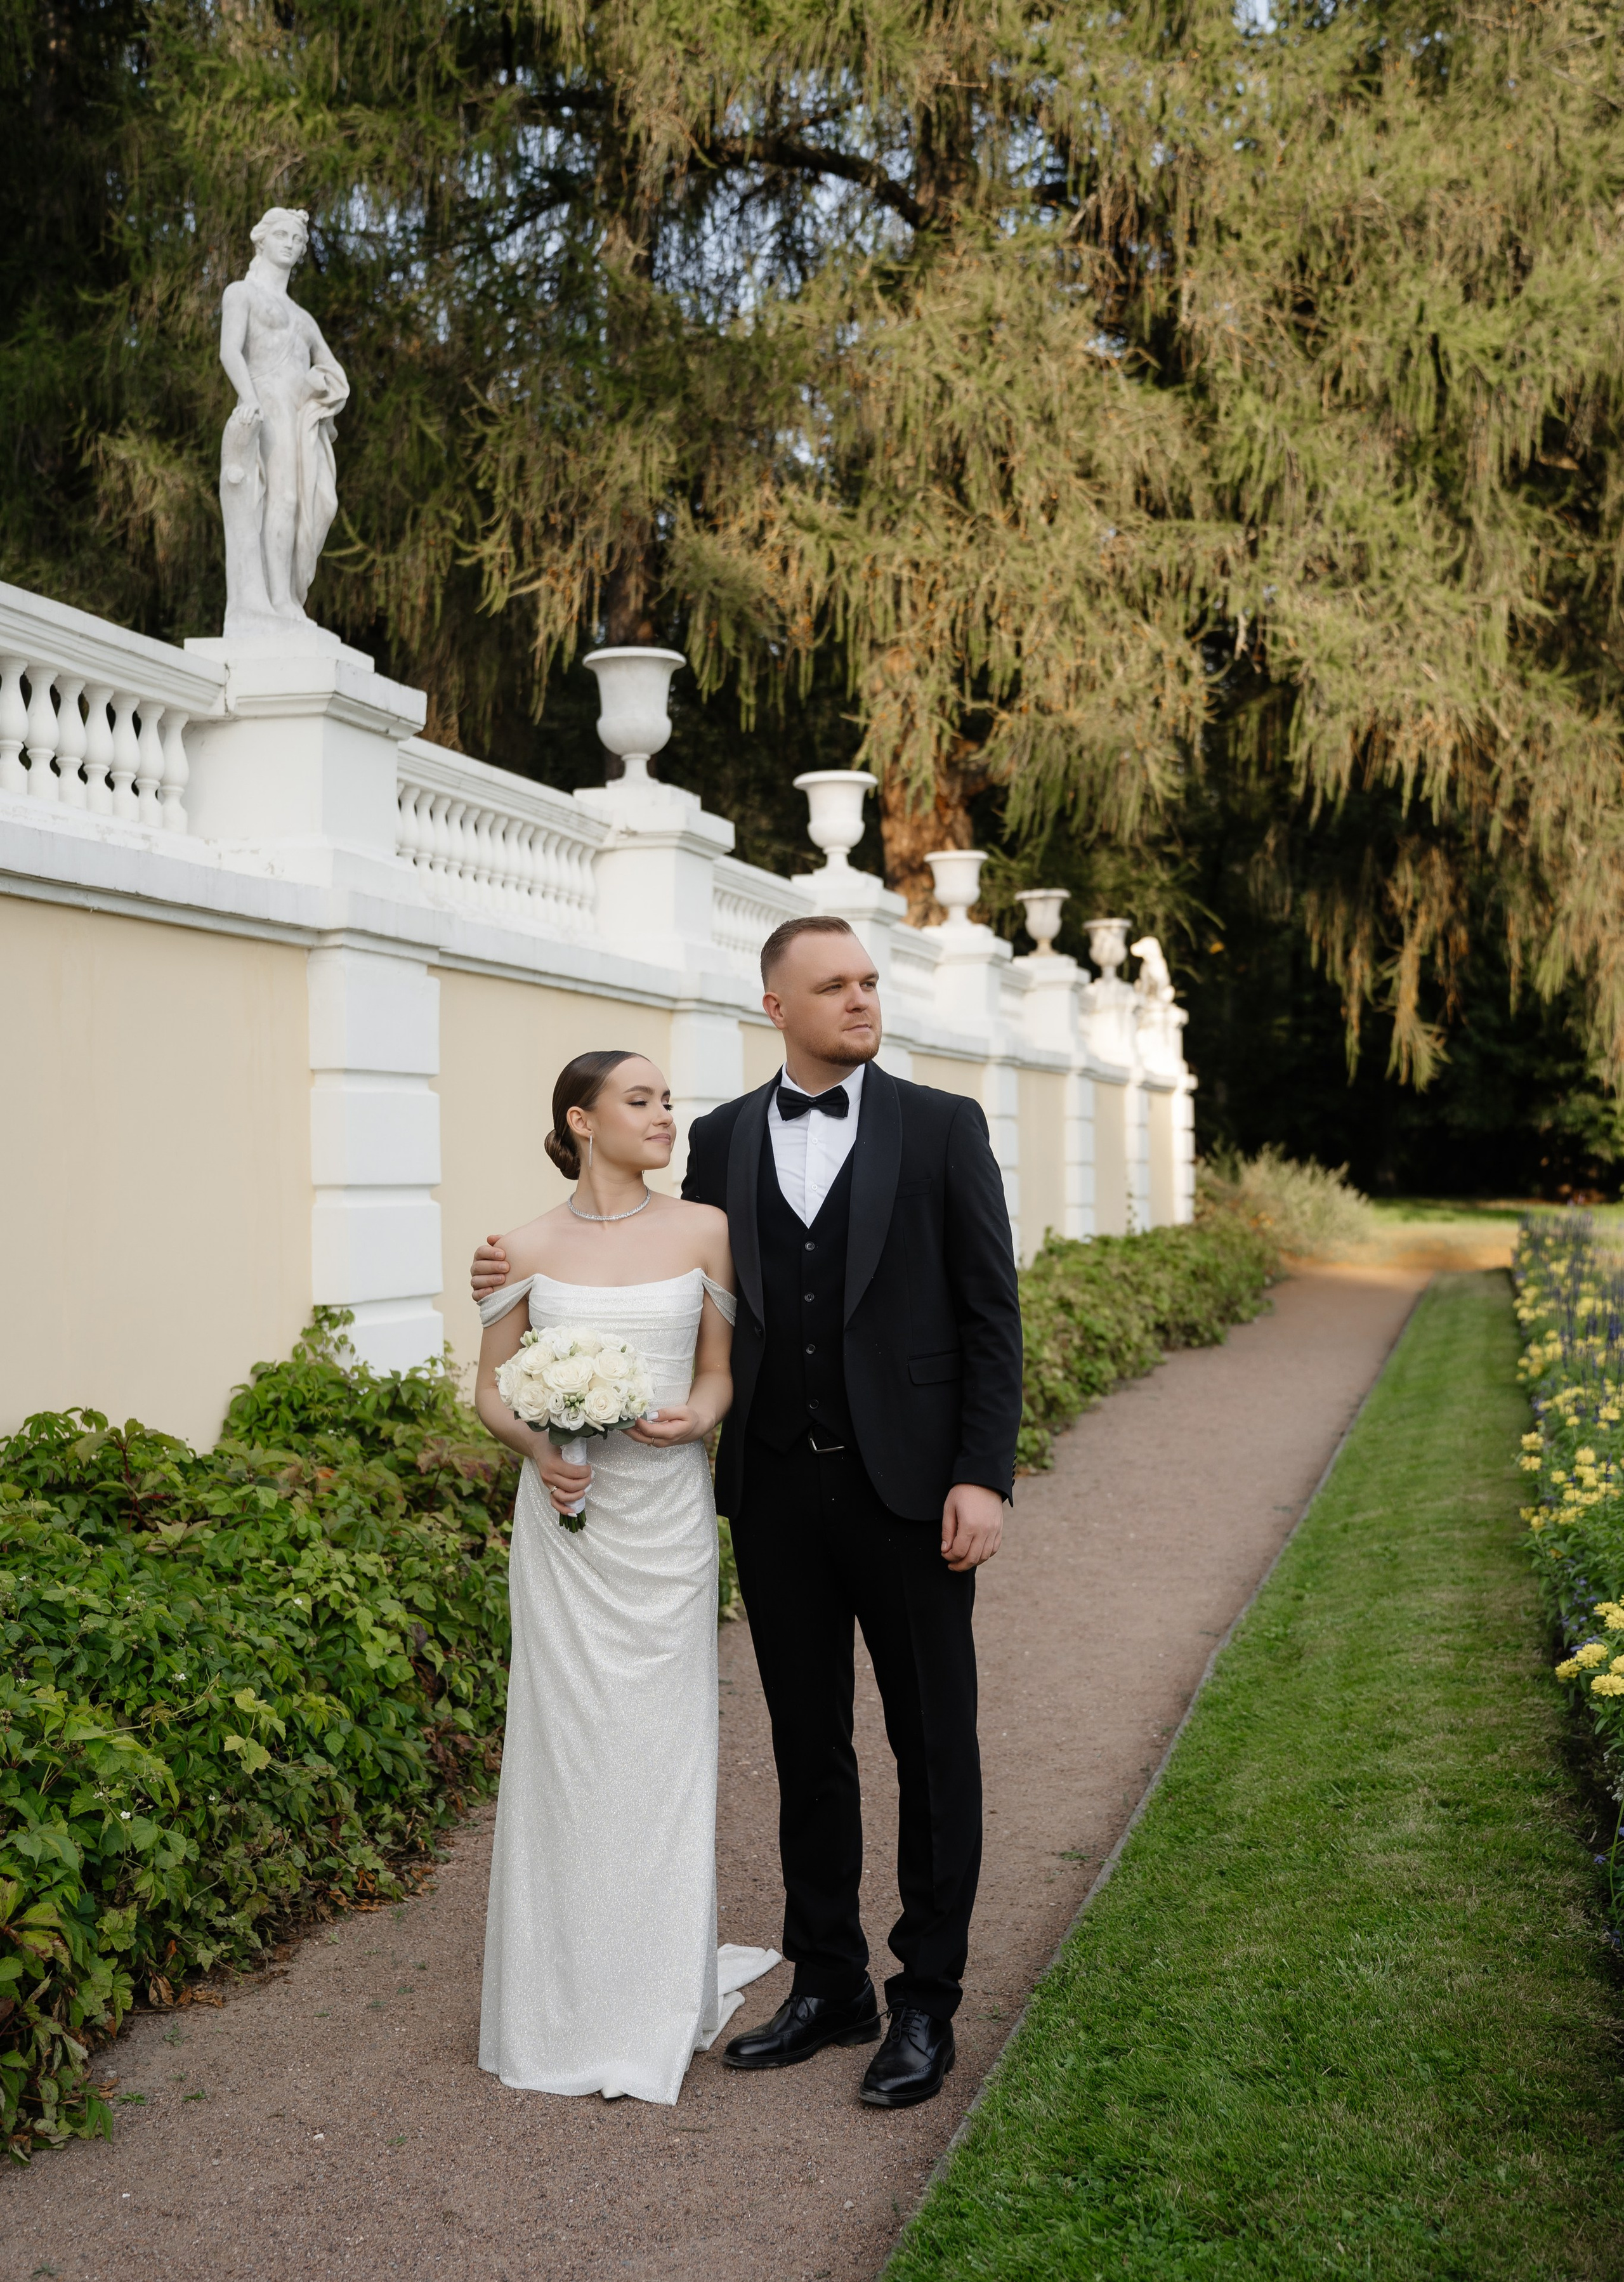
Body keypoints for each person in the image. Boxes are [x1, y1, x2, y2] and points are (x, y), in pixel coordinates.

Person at [473, 917, 1025, 2109]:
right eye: (835, 986)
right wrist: (503, 1275)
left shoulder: (941, 1127)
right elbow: (626, 1241)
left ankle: (925, 2000)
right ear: (776, 1003)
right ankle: (830, 1979)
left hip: (916, 1492)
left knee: (933, 1745)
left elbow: (992, 1311)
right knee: (805, 1744)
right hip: (772, 1491)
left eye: (871, 982)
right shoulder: (717, 1141)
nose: (863, 1001)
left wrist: (982, 1472)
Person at [471, 1049, 778, 2104]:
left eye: (666, 1102)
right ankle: (559, 2001)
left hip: (666, 1521)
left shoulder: (705, 1231)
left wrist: (698, 1415)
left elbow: (716, 1370)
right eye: (640, 1100)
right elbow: (492, 1390)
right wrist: (537, 1448)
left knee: (664, 1746)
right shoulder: (518, 1244)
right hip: (566, 1527)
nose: (663, 1116)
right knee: (568, 1748)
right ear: (580, 1118)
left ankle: (653, 1996)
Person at [218, 206, 350, 636]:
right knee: (282, 500)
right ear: (262, 239)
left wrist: (320, 386)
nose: (291, 244)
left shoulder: (303, 319)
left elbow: (334, 372)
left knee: (310, 504)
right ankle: (276, 601)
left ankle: (289, 597)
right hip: (266, 403)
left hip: (297, 414)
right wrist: (249, 399)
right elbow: (229, 352)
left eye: (297, 240)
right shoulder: (242, 293)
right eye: (283, 235)